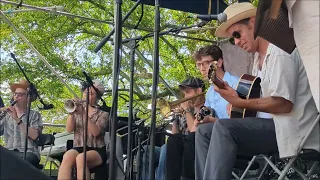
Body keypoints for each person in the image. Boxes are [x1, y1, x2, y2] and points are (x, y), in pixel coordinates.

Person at [195, 2, 320, 180]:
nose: (236, 42)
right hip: (269, 129)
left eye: (237, 34)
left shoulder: (279, 51)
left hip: (291, 131)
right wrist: (237, 108)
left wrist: (239, 102)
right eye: (232, 39)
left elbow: (283, 104)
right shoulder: (256, 61)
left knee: (224, 128)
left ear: (253, 23)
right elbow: (255, 105)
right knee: (203, 132)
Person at [58, 80, 109, 180]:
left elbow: (96, 132)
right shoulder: (79, 109)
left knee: (81, 158)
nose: (87, 95)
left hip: (97, 149)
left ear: (97, 96)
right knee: (67, 156)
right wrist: (71, 113)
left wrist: (83, 113)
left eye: (91, 93)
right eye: (85, 92)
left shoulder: (103, 114)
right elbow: (69, 129)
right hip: (79, 146)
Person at [165, 77, 208, 180]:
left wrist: (188, 110)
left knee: (164, 150)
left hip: (195, 146)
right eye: (184, 93)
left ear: (199, 90)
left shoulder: (206, 108)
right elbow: (175, 136)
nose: (185, 96)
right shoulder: (185, 112)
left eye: (188, 92)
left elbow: (194, 131)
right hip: (182, 147)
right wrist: (175, 118)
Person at [0, 79, 43, 167]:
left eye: (21, 94)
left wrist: (17, 119)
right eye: (16, 94)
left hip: (28, 152)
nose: (17, 97)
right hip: (9, 152)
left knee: (16, 163)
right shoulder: (6, 115)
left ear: (28, 98)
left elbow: (35, 135)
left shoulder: (35, 115)